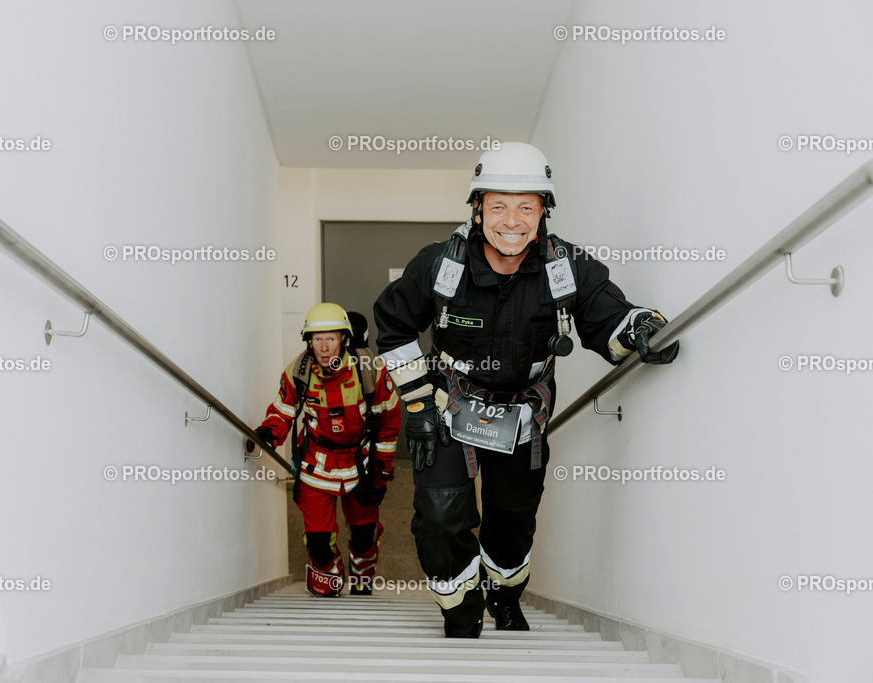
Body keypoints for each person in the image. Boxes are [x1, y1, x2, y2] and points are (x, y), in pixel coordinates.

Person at [373, 142, 678, 637]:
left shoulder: (568, 268)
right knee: (439, 517)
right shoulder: (440, 266)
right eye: (498, 206)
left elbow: (609, 318)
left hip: (524, 417)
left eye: (526, 207)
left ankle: (504, 595)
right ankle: (461, 609)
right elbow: (392, 327)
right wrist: (417, 404)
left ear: (543, 212)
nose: (511, 221)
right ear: (477, 210)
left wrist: (643, 327)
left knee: (513, 521)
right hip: (449, 409)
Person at [248, 303, 402, 596]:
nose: (324, 347)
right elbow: (283, 410)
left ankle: (362, 577)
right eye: (317, 339)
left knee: (364, 535)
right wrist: (268, 433)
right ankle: (331, 578)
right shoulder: (298, 372)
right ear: (308, 341)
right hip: (316, 464)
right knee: (318, 540)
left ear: (344, 338)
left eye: (331, 338)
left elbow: (389, 420)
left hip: (361, 463)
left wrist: (380, 470)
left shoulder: (369, 370)